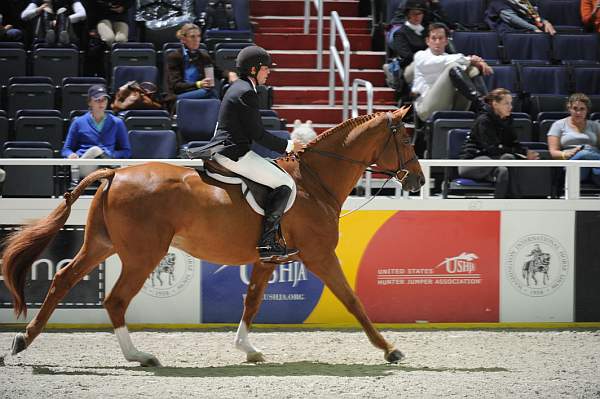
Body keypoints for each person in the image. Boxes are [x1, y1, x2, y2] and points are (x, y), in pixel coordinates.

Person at [189, 46, 305, 261]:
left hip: (231, 148)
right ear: (254, 69)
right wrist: (289, 147)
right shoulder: (246, 92)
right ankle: (268, 243)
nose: (268, 72)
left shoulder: (239, 87)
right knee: (285, 183)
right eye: (266, 68)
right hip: (234, 153)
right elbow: (258, 134)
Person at [459, 88, 539, 198]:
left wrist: (526, 152)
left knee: (504, 168)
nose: (510, 107)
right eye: (506, 103)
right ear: (495, 104)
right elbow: (492, 148)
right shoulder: (484, 120)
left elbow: (512, 144)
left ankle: (502, 204)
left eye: (511, 103)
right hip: (472, 163)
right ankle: (515, 198)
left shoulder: (507, 120)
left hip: (493, 161)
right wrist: (522, 153)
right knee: (504, 158)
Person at [412, 22, 493, 122]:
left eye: (441, 38)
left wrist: (479, 63)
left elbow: (459, 62)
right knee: (454, 67)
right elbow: (440, 62)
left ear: (446, 41)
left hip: (449, 105)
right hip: (425, 108)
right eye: (433, 38)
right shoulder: (420, 56)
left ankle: (487, 103)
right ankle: (482, 105)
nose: (437, 42)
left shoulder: (450, 57)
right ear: (427, 41)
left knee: (472, 69)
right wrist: (469, 59)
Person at [62, 84, 130, 182]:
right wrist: (71, 155)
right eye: (97, 100)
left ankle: (106, 177)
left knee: (106, 173)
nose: (101, 103)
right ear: (90, 102)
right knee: (95, 150)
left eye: (104, 99)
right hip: (85, 166)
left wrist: (112, 155)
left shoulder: (117, 123)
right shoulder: (78, 122)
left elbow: (127, 151)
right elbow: (66, 149)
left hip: (107, 165)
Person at [547, 93, 600, 186]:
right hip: (572, 162)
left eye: (582, 109)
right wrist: (567, 153)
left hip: (593, 164)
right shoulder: (558, 125)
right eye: (575, 108)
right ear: (569, 109)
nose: (578, 112)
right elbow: (553, 152)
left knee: (589, 155)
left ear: (587, 110)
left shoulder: (595, 125)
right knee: (584, 153)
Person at [165, 23, 218, 103]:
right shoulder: (174, 57)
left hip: (199, 93)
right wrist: (198, 84)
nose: (197, 40)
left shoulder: (203, 56)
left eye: (198, 36)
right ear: (183, 39)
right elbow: (176, 85)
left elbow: (218, 71)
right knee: (211, 93)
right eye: (192, 36)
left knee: (211, 94)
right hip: (178, 95)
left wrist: (230, 74)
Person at [387, 0, 428, 87]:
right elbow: (407, 56)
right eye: (413, 13)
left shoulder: (428, 31)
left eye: (419, 13)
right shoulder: (400, 33)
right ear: (408, 15)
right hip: (410, 67)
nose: (417, 16)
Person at [21, 0, 86, 46]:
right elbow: (24, 16)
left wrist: (60, 21)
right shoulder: (38, 2)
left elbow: (82, 14)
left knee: (62, 10)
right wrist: (38, 9)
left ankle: (62, 38)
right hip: (41, 35)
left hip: (67, 34)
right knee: (46, 10)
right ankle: (48, 36)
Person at [485, 0, 556, 35]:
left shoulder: (525, 1)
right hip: (512, 34)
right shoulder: (498, 2)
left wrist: (545, 22)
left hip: (530, 31)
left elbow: (534, 15)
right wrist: (534, 28)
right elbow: (511, 19)